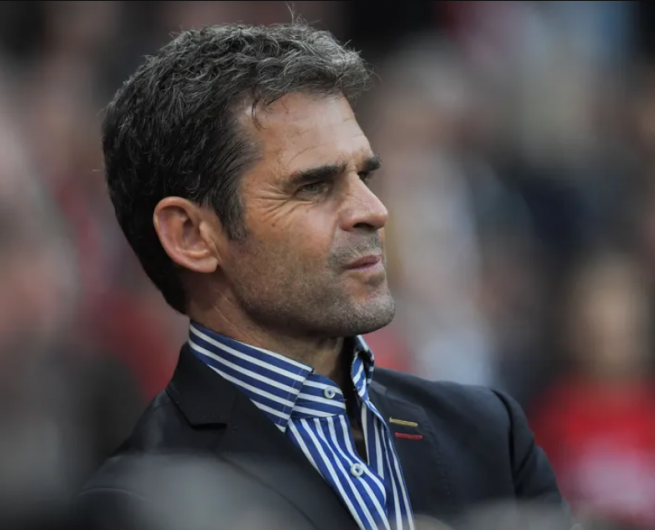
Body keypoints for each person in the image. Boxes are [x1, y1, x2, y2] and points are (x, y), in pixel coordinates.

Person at [73, 22, 573, 530]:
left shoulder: (491, 434)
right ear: (191, 236)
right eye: (313, 186)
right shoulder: (131, 507)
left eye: (365, 175)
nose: (374, 210)